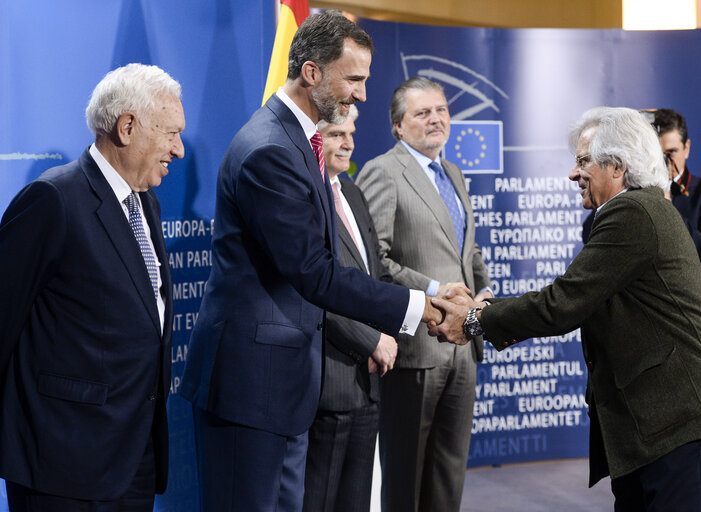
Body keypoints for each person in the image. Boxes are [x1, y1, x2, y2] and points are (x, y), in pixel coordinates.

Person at [179, 11, 443, 512]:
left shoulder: (301, 141)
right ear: (312, 72)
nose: (362, 95)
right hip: (250, 388)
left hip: (285, 387)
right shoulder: (270, 150)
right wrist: (422, 307)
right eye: (355, 79)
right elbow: (314, 271)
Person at [431, 107, 701, 511]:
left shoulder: (634, 212)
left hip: (682, 423)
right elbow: (575, 297)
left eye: (582, 161)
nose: (572, 174)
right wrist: (488, 310)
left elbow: (562, 303)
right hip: (655, 427)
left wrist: (475, 319)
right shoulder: (629, 212)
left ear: (616, 165)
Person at [0, 63, 184, 511]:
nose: (178, 149)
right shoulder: (54, 200)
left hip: (134, 458)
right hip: (63, 464)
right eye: (171, 133)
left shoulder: (146, 202)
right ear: (127, 126)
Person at [356, 77, 492, 512]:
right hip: (415, 350)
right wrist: (434, 290)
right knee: (405, 478)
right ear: (398, 125)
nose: (436, 119)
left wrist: (483, 292)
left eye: (442, 110)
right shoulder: (383, 170)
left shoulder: (452, 173)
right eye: (422, 112)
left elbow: (466, 250)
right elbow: (373, 260)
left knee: (448, 477)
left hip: (463, 347)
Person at [303, 105, 394, 512]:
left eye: (351, 132)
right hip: (329, 378)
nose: (349, 142)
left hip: (369, 382)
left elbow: (372, 278)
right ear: (316, 139)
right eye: (338, 134)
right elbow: (313, 284)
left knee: (356, 502)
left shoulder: (352, 191)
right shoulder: (307, 192)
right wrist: (371, 339)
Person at [582, 108, 701, 327]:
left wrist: (665, 203)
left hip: (691, 316)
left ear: (686, 148)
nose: (663, 160)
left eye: (671, 152)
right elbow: (589, 234)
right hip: (639, 317)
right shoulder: (632, 191)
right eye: (657, 154)